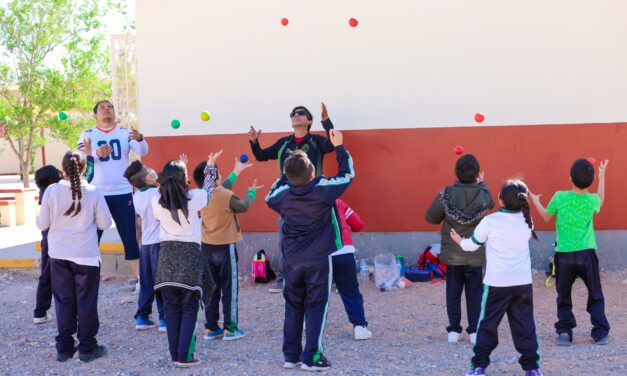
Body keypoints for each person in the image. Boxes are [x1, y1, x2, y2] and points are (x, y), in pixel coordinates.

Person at [266, 129, 353, 372]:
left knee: (293, 305)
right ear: (313, 172)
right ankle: (312, 356)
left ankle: (290, 355)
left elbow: (269, 195)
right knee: (316, 305)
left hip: (292, 261)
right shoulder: (323, 190)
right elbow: (347, 175)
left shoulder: (281, 196)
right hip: (318, 260)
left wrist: (286, 175)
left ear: (286, 175)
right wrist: (339, 148)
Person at [451, 179, 542, 376]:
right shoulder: (528, 221)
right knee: (525, 326)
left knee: (487, 325)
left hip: (497, 284)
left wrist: (460, 241)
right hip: (522, 284)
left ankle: (479, 367)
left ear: (500, 200)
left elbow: (471, 246)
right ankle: (532, 369)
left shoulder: (490, 221)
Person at [249, 103, 335, 293]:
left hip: (314, 200)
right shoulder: (283, 144)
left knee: (321, 240)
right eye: (293, 114)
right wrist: (254, 142)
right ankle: (284, 281)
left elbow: (333, 143)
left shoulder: (317, 142)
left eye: (301, 113)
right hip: (289, 201)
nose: (296, 115)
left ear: (309, 120)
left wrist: (326, 120)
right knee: (286, 241)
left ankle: (325, 279)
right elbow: (261, 156)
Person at [36, 150, 112, 363]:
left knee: (63, 300)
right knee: (86, 301)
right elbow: (105, 224)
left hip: (58, 254)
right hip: (86, 255)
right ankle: (87, 347)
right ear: (84, 168)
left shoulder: (51, 191)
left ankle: (64, 347)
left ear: (62, 169)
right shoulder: (94, 191)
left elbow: (42, 224)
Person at [529, 159, 610, 346]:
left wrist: (535, 201)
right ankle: (600, 333)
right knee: (595, 293)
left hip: (564, 255)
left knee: (563, 294)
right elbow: (601, 198)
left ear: (570, 178)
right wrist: (602, 175)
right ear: (590, 182)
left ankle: (564, 331)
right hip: (587, 254)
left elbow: (547, 217)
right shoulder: (591, 200)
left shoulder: (559, 197)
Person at [152, 151, 220, 368]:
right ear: (185, 180)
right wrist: (210, 165)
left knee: (171, 309)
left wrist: (178, 172)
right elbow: (209, 189)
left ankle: (175, 355)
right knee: (189, 307)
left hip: (167, 256)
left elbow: (168, 190)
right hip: (190, 256)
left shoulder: (156, 201)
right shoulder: (195, 198)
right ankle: (185, 356)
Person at [78, 100, 149, 292]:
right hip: (96, 194)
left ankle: (139, 279)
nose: (107, 110)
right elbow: (78, 158)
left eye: (110, 107)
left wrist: (141, 138)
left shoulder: (125, 132)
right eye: (102, 108)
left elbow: (143, 151)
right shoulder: (88, 134)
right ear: (95, 115)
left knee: (129, 236)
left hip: (122, 192)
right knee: (92, 237)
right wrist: (95, 153)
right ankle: (87, 281)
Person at [425, 154, 495, 344]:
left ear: (456, 173)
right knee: (475, 294)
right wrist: (482, 184)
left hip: (453, 256)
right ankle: (474, 331)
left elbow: (430, 218)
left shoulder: (446, 194)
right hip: (475, 255)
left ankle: (453, 331)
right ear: (477, 174)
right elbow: (491, 202)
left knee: (453, 293)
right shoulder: (483, 194)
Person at [193, 157, 262, 341]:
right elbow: (244, 206)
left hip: (206, 247)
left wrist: (236, 171)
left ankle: (211, 327)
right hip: (225, 248)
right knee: (229, 289)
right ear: (215, 179)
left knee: (211, 289)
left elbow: (220, 185)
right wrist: (252, 192)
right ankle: (230, 328)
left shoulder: (200, 195)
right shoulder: (226, 195)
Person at [32, 138, 97, 325]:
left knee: (47, 275)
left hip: (51, 242)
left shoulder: (47, 192)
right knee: (75, 287)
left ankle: (40, 311)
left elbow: (42, 222)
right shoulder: (68, 189)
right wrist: (89, 156)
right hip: (73, 246)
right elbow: (89, 175)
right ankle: (76, 319)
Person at [123, 160, 165, 332]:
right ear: (148, 178)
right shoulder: (156, 193)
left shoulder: (137, 196)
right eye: (148, 170)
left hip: (146, 245)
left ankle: (142, 316)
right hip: (159, 243)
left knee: (147, 282)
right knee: (162, 281)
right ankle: (165, 319)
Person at [331, 199, 372, 340]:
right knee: (351, 292)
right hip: (344, 251)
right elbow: (358, 224)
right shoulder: (338, 202)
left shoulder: (307, 201)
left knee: (313, 290)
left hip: (319, 254)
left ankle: (308, 323)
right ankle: (359, 327)